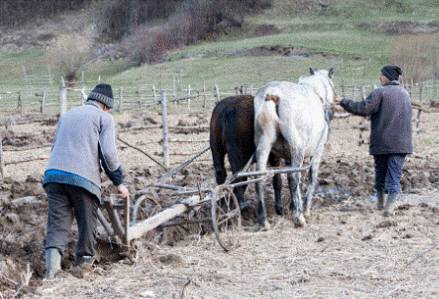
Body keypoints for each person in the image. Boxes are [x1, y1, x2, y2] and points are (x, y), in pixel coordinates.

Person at [42, 83, 130, 279]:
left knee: (57, 224)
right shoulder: (104, 118)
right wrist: (119, 182)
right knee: (87, 222)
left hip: (54, 175)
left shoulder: (67, 115)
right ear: (106, 105)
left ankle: (52, 271)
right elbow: (108, 154)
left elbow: (55, 146)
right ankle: (83, 266)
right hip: (82, 177)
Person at [336, 65, 413, 217]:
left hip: (383, 142)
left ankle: (381, 204)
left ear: (388, 77)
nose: (380, 77)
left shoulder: (380, 93)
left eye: (382, 75)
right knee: (394, 174)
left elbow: (363, 108)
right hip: (402, 143)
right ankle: (388, 207)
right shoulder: (405, 93)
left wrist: (343, 101)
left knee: (381, 173)